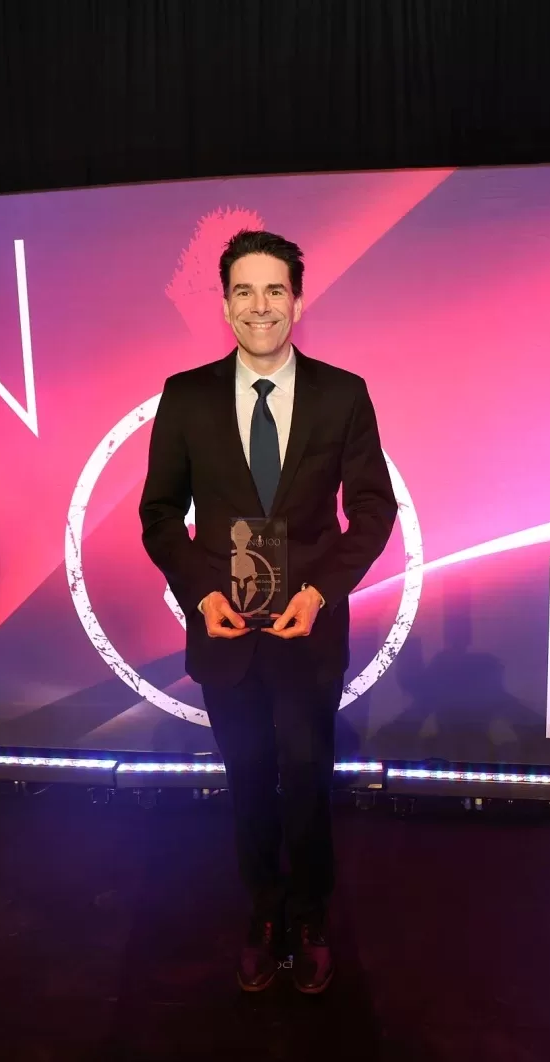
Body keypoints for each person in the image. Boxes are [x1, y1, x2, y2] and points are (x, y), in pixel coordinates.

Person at [139, 229, 397, 994]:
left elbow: (373, 511)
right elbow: (160, 515)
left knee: (309, 778)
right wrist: (202, 593)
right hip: (225, 632)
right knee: (248, 779)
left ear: (298, 301)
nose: (260, 306)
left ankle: (311, 914)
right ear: (225, 306)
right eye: (244, 291)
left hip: (308, 631)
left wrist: (320, 592)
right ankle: (262, 911)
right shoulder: (186, 396)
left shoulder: (342, 394)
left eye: (275, 290)